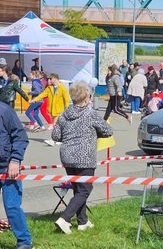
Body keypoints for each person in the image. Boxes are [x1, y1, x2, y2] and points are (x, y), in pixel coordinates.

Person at [52, 82, 113, 234]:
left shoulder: (64, 114)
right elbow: (108, 130)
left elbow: (55, 136)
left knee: (78, 189)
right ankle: (65, 218)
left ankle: (82, 221)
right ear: (86, 97)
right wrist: (94, 134)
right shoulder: (90, 113)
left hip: (67, 156)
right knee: (85, 189)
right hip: (84, 156)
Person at [0, 101, 33, 248]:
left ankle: (24, 241)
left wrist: (15, 160)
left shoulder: (4, 111)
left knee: (12, 206)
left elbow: (20, 136)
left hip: (7, 169)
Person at [30, 73, 70, 145]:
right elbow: (42, 95)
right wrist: (34, 100)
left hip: (59, 110)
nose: (49, 80)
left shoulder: (62, 87)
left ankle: (53, 140)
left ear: (55, 78)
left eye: (50, 79)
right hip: (52, 110)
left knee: (54, 124)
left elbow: (66, 99)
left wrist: (67, 109)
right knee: (57, 125)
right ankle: (61, 139)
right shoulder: (49, 88)